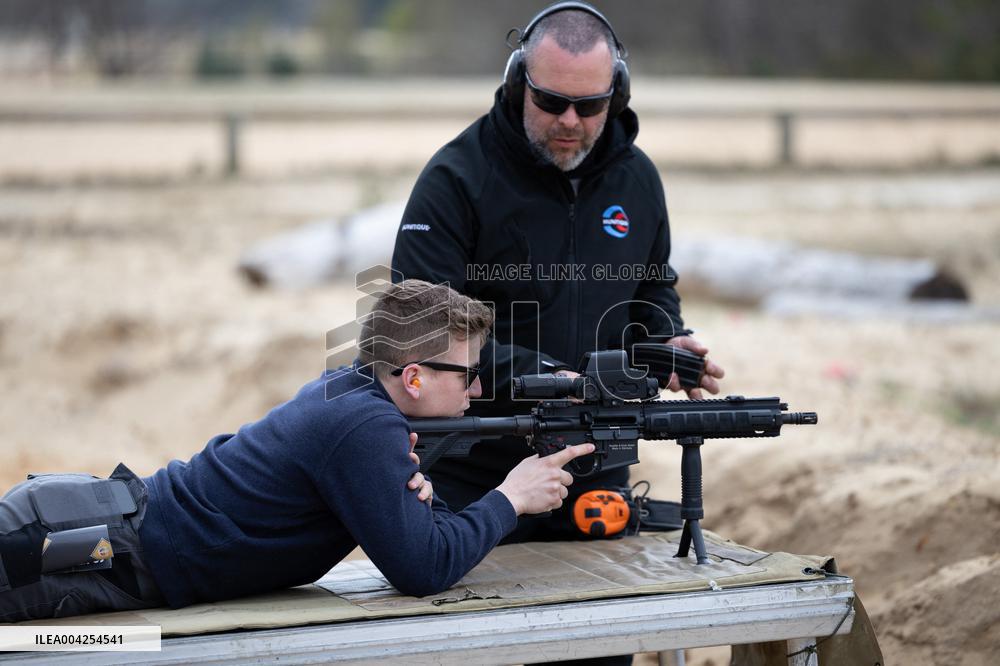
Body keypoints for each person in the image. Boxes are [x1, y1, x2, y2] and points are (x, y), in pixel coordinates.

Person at [0, 280, 593, 622]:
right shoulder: (364, 425)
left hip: (101, 530)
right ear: (413, 377)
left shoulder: (354, 395)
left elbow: (423, 541)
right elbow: (424, 569)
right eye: (469, 374)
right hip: (89, 546)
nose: (479, 389)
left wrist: (425, 495)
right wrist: (510, 499)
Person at [391, 2, 725, 539]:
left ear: (617, 95)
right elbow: (424, 332)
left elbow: (653, 288)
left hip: (597, 473)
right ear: (518, 83)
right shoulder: (455, 180)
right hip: (472, 478)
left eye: (589, 105)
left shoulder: (638, 180)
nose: (570, 120)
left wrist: (666, 342)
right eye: (551, 101)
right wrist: (552, 380)